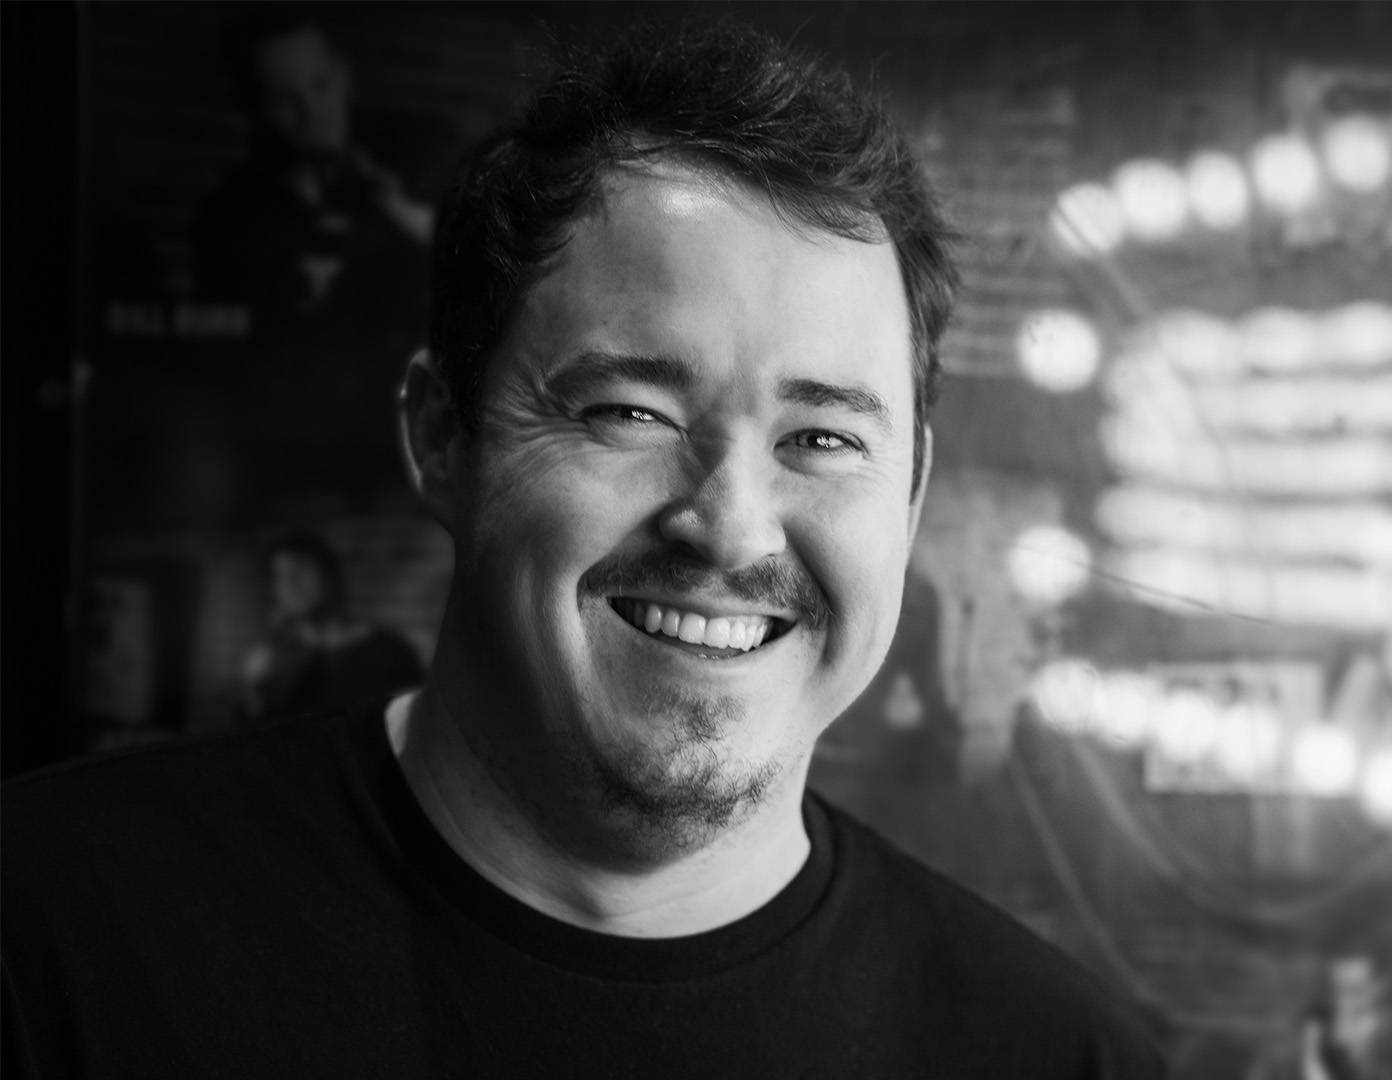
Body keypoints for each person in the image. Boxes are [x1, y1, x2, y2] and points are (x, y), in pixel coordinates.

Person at [4, 20, 1165, 1079]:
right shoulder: (54, 932)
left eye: (821, 437)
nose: (731, 525)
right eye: (630, 413)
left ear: (908, 496)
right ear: (439, 434)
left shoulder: (1061, 1056)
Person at [193, 8, 434, 341]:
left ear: (344, 74)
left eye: (321, 84)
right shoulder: (225, 218)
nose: (312, 113)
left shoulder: (417, 161)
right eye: (284, 100)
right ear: (253, 110)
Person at [238, 531, 424, 723]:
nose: (291, 583)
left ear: (329, 575)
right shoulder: (273, 661)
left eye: (301, 570)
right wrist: (256, 688)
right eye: (280, 576)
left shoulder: (389, 652)